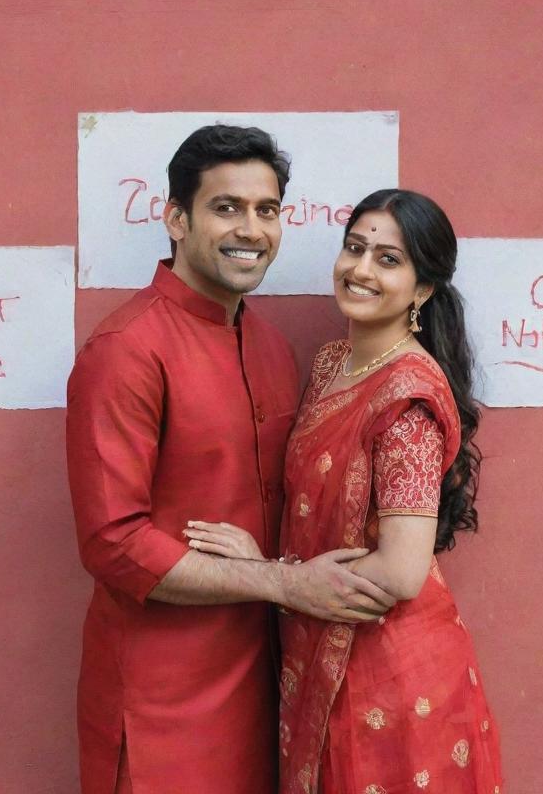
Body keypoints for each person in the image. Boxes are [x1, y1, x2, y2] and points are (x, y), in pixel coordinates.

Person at [65, 126, 397, 794]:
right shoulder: (127, 350)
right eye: (226, 208)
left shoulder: (273, 348)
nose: (252, 229)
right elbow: (112, 544)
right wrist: (282, 583)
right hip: (162, 704)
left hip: (264, 690)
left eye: (267, 210)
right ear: (176, 218)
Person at [190, 188, 504, 794]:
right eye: (354, 248)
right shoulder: (334, 362)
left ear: (422, 290)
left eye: (388, 259)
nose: (360, 269)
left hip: (388, 676)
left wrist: (270, 574)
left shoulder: (406, 400)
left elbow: (401, 573)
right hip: (318, 653)